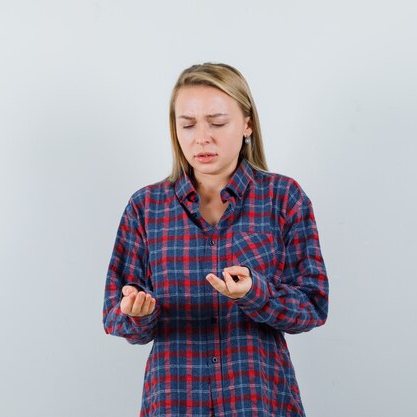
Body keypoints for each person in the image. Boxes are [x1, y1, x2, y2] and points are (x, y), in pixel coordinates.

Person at [102, 62, 329, 417]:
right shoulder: (145, 207)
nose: (201, 137)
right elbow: (116, 315)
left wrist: (256, 293)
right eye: (187, 124)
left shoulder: (284, 198)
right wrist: (137, 313)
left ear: (248, 124)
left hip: (257, 403)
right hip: (174, 403)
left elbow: (313, 307)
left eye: (218, 122)